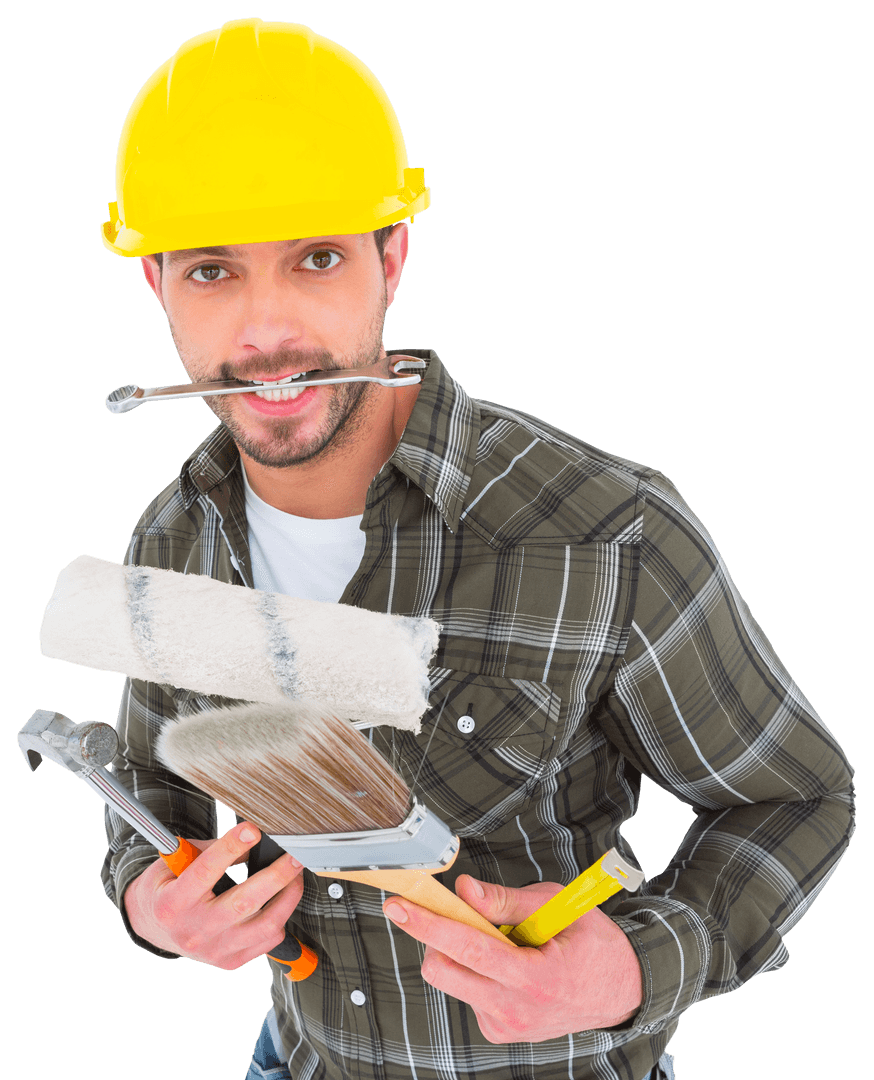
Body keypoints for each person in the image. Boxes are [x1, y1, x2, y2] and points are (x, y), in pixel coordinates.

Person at [98, 18, 854, 1080]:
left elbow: (796, 797)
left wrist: (638, 968)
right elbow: (146, 786)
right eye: (213, 272)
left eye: (316, 257)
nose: (265, 330)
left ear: (390, 256)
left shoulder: (603, 532)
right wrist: (151, 901)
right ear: (156, 283)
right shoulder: (173, 541)